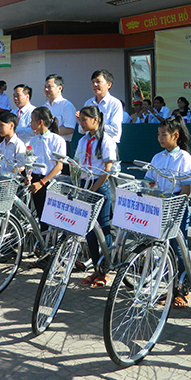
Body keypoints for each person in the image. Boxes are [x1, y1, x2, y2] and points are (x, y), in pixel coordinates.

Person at [144, 115, 191, 308]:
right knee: (163, 247)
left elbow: (186, 189)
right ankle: (171, 288)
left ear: (175, 135)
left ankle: (183, 290)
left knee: (178, 248)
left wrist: (176, 207)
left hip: (177, 206)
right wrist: (152, 188)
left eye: (163, 134)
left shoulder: (184, 158)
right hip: (160, 204)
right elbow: (150, 179)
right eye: (158, 134)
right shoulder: (158, 157)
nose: (159, 138)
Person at [76, 105, 117, 288]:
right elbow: (77, 162)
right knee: (90, 231)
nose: (82, 123)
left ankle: (106, 270)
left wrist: (94, 188)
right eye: (81, 120)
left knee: (104, 228)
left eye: (85, 120)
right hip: (86, 186)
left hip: (100, 187)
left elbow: (107, 170)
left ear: (95, 120)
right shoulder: (83, 140)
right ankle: (96, 267)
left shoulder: (106, 140)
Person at [27, 107, 66, 268]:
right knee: (42, 219)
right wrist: (29, 176)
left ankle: (56, 257)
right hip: (36, 182)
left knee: (53, 220)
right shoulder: (33, 140)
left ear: (40, 122)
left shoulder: (57, 140)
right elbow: (30, 163)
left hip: (50, 182)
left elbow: (59, 166)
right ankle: (46, 255)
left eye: (32, 120)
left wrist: (42, 182)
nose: (30, 123)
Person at [77, 69, 123, 144]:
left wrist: (94, 126)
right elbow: (81, 130)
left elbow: (115, 130)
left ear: (109, 85)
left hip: (108, 145)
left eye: (98, 82)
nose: (95, 85)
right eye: (93, 82)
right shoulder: (88, 103)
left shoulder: (115, 103)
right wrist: (82, 121)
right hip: (90, 144)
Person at [42, 74, 76, 142]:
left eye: (49, 87)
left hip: (61, 144)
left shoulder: (66, 105)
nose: (46, 89)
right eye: (45, 87)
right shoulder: (44, 107)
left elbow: (69, 129)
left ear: (59, 88)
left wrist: (48, 132)